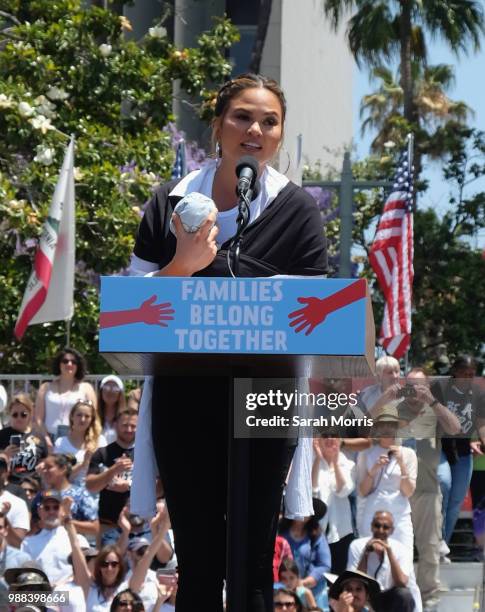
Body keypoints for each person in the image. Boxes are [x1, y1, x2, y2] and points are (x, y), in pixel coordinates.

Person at [129, 73, 327, 612]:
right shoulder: (169, 203)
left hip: (267, 401)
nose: (255, 130)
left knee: (252, 557)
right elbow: (130, 312)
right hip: (185, 398)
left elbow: (315, 314)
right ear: (217, 126)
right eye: (242, 116)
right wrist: (180, 269)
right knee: (199, 560)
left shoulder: (298, 213)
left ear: (280, 135)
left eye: (269, 121)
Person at [397, 367, 460, 607]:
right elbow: (367, 426)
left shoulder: (434, 411)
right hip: (398, 492)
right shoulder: (394, 409)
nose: (415, 391)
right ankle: (399, 595)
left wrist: (432, 401)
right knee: (397, 546)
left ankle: (429, 597)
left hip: (427, 490)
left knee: (430, 548)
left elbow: (455, 428)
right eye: (410, 385)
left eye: (420, 386)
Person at [433, 355, 485, 546]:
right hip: (440, 447)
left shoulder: (478, 393)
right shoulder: (440, 388)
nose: (469, 377)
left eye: (472, 374)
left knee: (456, 502)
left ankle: (443, 544)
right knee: (444, 484)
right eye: (465, 373)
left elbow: (481, 424)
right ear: (455, 371)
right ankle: (435, 540)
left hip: (463, 452)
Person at [355, 406, 417, 550]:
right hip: (373, 511)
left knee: (404, 558)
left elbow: (408, 492)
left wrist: (401, 464)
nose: (387, 429)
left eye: (391, 425)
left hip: (399, 514)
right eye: (383, 425)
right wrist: (374, 469)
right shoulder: (367, 453)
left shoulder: (408, 454)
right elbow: (362, 491)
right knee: (369, 557)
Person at [347, 511, 420, 612]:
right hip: (367, 597)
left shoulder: (401, 549)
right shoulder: (357, 545)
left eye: (385, 527)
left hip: (390, 597)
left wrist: (389, 553)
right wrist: (366, 554)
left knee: (404, 595)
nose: (380, 530)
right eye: (377, 526)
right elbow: (355, 581)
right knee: (352, 594)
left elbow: (402, 582)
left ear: (392, 530)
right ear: (372, 526)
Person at [86, 409, 137, 546]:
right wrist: (113, 471)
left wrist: (129, 485)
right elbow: (90, 485)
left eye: (133, 426)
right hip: (108, 525)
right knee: (107, 566)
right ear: (115, 425)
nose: (129, 429)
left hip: (139, 526)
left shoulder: (145, 454)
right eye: (125, 425)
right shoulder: (102, 453)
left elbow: (157, 486)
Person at [21, 492, 90, 586]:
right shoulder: (27, 544)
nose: (51, 512)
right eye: (47, 508)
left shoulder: (79, 540)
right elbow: (26, 575)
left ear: (62, 511)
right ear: (40, 511)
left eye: (56, 507)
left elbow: (87, 572)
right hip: (42, 595)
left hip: (72, 594)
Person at [35, 347, 97, 446]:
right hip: (48, 438)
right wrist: (47, 441)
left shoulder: (86, 388)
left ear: (78, 366)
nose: (69, 364)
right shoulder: (45, 387)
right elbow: (38, 419)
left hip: (75, 439)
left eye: (73, 362)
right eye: (65, 361)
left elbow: (94, 418)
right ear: (59, 364)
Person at [312, 435, 355, 574]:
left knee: (338, 577)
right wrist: (318, 459)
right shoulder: (311, 460)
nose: (330, 439)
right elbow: (312, 491)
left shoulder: (348, 463)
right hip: (316, 530)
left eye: (334, 436)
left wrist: (335, 464)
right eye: (325, 436)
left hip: (341, 531)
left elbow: (343, 491)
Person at [278, 499, 331, 607]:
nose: (302, 513)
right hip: (282, 589)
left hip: (312, 591)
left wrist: (303, 583)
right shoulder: (279, 531)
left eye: (306, 510)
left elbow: (324, 565)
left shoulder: (316, 535)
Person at [35, 453, 99, 537]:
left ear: (63, 469)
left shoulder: (80, 494)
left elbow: (95, 527)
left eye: (49, 467)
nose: (44, 471)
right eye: (44, 468)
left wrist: (65, 522)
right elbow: (32, 522)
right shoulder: (41, 495)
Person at [54, 399, 106, 485]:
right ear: (72, 417)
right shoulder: (61, 443)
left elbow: (105, 471)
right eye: (79, 415)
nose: (82, 419)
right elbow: (59, 476)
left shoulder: (100, 441)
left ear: (92, 420)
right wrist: (83, 464)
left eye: (87, 416)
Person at [0, 393, 49, 482]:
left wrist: (42, 466)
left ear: (30, 414)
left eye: (23, 414)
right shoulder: (1, 435)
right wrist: (4, 454)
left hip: (32, 485)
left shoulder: (38, 437)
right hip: (7, 485)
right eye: (15, 415)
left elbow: (44, 461)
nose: (19, 418)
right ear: (9, 415)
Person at [98, 376, 126, 444]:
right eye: (106, 388)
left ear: (120, 393)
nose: (110, 391)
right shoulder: (93, 415)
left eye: (115, 388)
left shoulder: (125, 417)